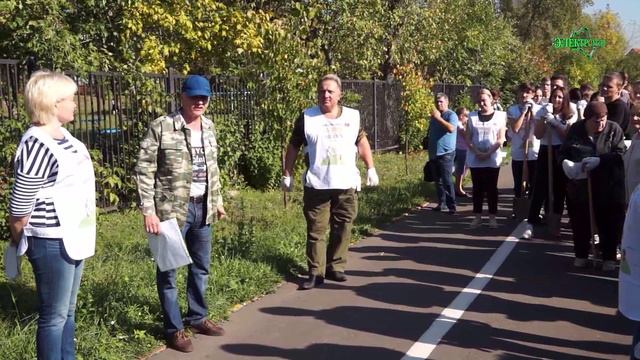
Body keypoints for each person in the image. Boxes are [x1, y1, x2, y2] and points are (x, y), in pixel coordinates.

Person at [8, 70, 96, 359]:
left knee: (68, 312)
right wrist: (19, 242)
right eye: (70, 99)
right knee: (54, 316)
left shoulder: (65, 137)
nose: (75, 104)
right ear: (53, 104)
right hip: (50, 240)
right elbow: (20, 205)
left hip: (74, 236)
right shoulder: (36, 142)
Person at [135, 75, 226, 353]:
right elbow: (144, 169)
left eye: (204, 97)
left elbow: (213, 166)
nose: (199, 101)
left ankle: (197, 317)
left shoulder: (208, 127)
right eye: (194, 96)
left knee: (201, 267)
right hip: (171, 212)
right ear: (182, 97)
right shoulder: (162, 126)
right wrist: (148, 211)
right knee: (169, 271)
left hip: (203, 207)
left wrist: (217, 200)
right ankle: (174, 329)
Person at [282, 74, 379, 290]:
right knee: (316, 230)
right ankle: (315, 272)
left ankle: (336, 266)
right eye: (322, 91)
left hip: (346, 183)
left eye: (330, 91)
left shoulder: (352, 117)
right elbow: (293, 146)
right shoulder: (307, 117)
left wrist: (370, 168)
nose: (325, 95)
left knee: (343, 226)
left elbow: (361, 141)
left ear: (339, 94)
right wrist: (287, 173)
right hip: (317, 184)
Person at [560, 101, 626, 271]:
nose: (600, 124)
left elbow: (620, 155)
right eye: (596, 121)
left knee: (609, 223)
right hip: (581, 186)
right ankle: (581, 254)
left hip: (608, 186)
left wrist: (601, 161)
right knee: (580, 221)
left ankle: (608, 257)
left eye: (603, 119)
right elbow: (563, 152)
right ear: (587, 119)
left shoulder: (613, 129)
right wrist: (567, 165)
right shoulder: (576, 129)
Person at [523, 86, 577, 239]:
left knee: (559, 189)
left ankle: (555, 223)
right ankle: (531, 223)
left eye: (560, 97)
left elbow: (566, 135)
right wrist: (544, 118)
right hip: (545, 150)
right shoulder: (543, 111)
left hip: (561, 151)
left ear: (564, 99)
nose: (557, 100)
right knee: (539, 188)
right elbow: (539, 135)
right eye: (554, 97)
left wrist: (555, 122)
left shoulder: (570, 113)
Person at [465, 88, 507, 228]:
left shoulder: (500, 116)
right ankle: (477, 217)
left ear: (491, 100)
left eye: (484, 100)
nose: (482, 103)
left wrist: (489, 152)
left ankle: (492, 217)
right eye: (480, 101)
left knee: (491, 189)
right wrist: (476, 151)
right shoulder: (472, 117)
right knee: (477, 188)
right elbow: (468, 138)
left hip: (492, 157)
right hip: (476, 157)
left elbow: (501, 138)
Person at [507, 83, 541, 214]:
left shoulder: (539, 109)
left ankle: (534, 211)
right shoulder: (513, 110)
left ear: (532, 94)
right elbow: (515, 128)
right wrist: (524, 112)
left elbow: (539, 129)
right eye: (522, 92)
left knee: (534, 183)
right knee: (518, 183)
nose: (524, 95)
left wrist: (532, 112)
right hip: (518, 152)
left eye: (528, 92)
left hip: (534, 152)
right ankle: (518, 209)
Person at [428, 93, 458, 213]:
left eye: (441, 101)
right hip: (434, 152)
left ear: (447, 102)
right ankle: (442, 203)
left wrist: (439, 118)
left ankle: (452, 205)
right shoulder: (434, 116)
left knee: (446, 180)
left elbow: (451, 128)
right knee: (438, 181)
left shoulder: (451, 115)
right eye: (437, 101)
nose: (438, 103)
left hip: (447, 153)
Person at [600, 72, 631, 138]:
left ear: (619, 89)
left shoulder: (619, 107)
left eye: (609, 87)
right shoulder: (603, 105)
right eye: (602, 85)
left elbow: (610, 130)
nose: (604, 88)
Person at [624, 104, 640, 202]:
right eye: (632, 114)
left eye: (639, 115)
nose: (634, 118)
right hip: (631, 198)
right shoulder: (635, 137)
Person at [454, 107, 470, 197]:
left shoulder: (459, 124)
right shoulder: (458, 124)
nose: (467, 118)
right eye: (466, 116)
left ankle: (458, 185)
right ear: (461, 116)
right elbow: (465, 135)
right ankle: (458, 188)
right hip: (461, 148)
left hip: (463, 148)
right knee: (460, 169)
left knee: (463, 168)